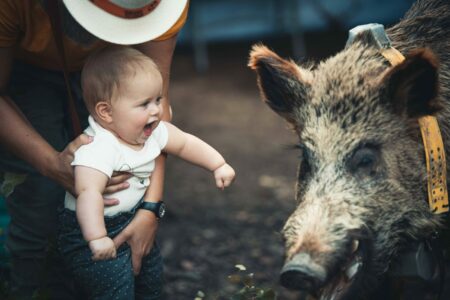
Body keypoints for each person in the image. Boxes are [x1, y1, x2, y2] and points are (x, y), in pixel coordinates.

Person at [0, 0, 189, 298]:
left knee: (118, 187)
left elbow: (156, 115)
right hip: (23, 67)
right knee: (40, 198)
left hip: (112, 68)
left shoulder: (167, 4)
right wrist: (51, 164)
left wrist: (151, 208)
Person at [58, 46, 235, 299]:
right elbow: (88, 192)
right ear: (106, 112)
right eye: (144, 104)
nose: (156, 110)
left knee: (150, 280)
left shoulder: (153, 131)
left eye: (157, 100)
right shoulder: (98, 147)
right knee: (114, 291)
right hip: (94, 231)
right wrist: (97, 237)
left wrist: (218, 164)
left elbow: (184, 143)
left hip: (133, 217)